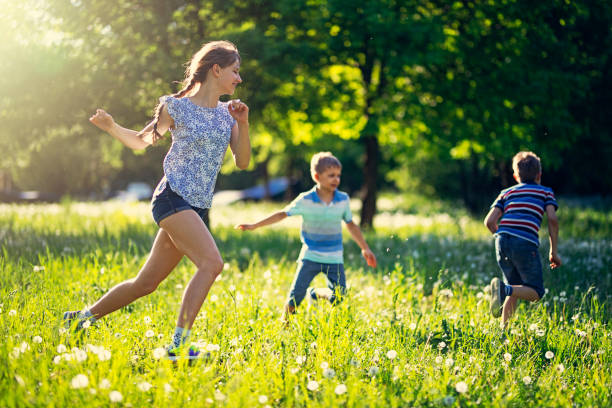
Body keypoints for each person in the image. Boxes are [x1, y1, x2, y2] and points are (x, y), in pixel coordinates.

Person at [63, 40, 250, 360]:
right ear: (216, 70)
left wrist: (244, 123)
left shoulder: (228, 115)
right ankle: (178, 346)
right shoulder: (175, 107)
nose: (239, 79)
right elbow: (141, 141)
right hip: (172, 197)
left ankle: (81, 318)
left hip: (198, 207)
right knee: (212, 263)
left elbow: (243, 161)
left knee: (145, 283)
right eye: (235, 71)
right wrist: (111, 127)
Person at [236, 152, 377, 322]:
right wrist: (255, 225)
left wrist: (365, 248)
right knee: (296, 295)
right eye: (331, 175)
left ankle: (316, 293)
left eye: (338, 175)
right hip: (310, 256)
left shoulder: (343, 200)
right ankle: (285, 324)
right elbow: (283, 214)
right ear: (317, 176)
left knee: (339, 296)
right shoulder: (306, 200)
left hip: (334, 257)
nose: (336, 179)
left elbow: (351, 224)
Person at [484, 151, 561, 328]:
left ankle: (504, 330)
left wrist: (503, 237)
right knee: (535, 292)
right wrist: (553, 251)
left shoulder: (506, 192)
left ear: (515, 176)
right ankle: (503, 290)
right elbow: (552, 219)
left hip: (502, 240)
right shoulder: (545, 192)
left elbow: (489, 221)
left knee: (514, 287)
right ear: (539, 175)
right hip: (525, 242)